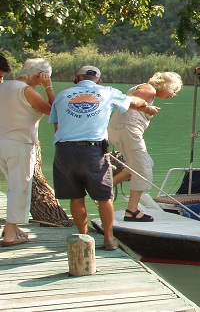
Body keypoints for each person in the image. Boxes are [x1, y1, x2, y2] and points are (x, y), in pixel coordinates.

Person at [49, 65, 158, 250]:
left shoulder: (61, 95)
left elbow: (57, 127)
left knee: (76, 197)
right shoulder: (107, 92)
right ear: (98, 80)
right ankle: (108, 239)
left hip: (64, 151)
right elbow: (135, 103)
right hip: (93, 151)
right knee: (104, 196)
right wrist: (148, 109)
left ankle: (83, 239)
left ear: (77, 77)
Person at [109, 71, 183, 222]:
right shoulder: (149, 90)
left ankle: (108, 186)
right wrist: (147, 108)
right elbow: (128, 100)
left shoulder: (147, 91)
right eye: (173, 90)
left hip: (120, 129)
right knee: (143, 169)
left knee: (145, 163)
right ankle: (132, 211)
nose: (173, 94)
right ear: (165, 85)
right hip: (128, 130)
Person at [0, 58, 56, 246]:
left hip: (2, 143)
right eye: (44, 77)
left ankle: (13, 227)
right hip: (20, 143)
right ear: (39, 75)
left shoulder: (4, 86)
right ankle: (9, 234)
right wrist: (48, 88)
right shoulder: (27, 91)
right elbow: (54, 112)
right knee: (20, 187)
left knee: (13, 186)